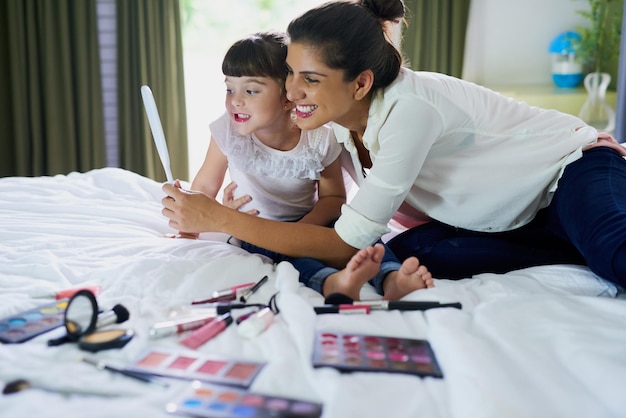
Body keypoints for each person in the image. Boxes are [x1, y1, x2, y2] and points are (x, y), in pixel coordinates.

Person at [162, 0, 626, 290]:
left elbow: (343, 243)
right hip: (523, 209)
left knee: (615, 255)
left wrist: (223, 220)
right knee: (415, 254)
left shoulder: (410, 111)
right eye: (289, 75)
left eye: (310, 79)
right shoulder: (341, 122)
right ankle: (571, 242)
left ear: (361, 83)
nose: (291, 92)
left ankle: (589, 234)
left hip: (569, 170)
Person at [178, 30, 433, 301]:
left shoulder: (320, 136)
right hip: (256, 225)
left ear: (289, 97)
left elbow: (334, 197)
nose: (235, 100)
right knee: (291, 257)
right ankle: (332, 283)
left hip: (314, 221)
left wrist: (305, 229)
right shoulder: (226, 132)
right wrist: (188, 228)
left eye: (250, 90)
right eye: (229, 89)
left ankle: (392, 277)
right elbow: (205, 185)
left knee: (362, 234)